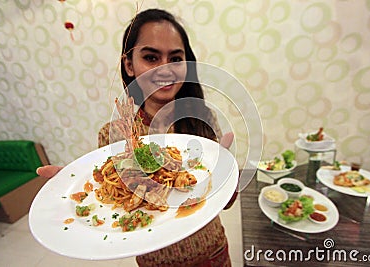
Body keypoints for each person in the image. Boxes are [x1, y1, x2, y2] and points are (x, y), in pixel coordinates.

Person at [37, 8, 236, 266]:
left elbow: (227, 202)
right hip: (155, 261)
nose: (165, 69)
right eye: (151, 57)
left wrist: (227, 173)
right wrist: (79, 190)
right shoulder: (112, 134)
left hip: (212, 251)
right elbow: (114, 203)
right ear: (129, 65)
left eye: (175, 59)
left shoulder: (204, 118)